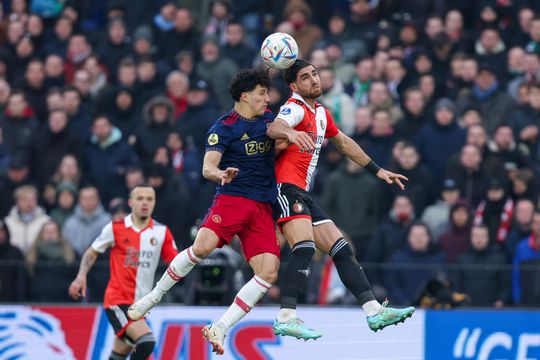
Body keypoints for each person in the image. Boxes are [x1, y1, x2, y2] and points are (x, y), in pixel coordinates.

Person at [127, 69, 280, 356]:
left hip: (262, 206)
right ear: (245, 96)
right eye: (262, 93)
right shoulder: (224, 127)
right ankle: (154, 296)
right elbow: (207, 167)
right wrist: (222, 173)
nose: (267, 99)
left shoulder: (270, 120)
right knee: (201, 248)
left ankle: (220, 327)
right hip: (233, 198)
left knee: (268, 272)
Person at [266, 59, 415, 339]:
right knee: (305, 247)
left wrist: (378, 169)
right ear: (294, 86)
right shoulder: (295, 108)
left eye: (315, 74)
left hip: (302, 192)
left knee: (341, 248)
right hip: (284, 188)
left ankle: (373, 311)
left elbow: (344, 143)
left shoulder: (321, 112)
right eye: (306, 77)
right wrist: (290, 132)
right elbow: (274, 127)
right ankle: (286, 316)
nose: (314, 80)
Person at [68, 184, 178, 360]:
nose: (145, 203)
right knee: (146, 341)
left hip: (142, 305)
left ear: (154, 203)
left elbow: (174, 263)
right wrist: (80, 277)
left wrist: (192, 257)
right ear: (131, 202)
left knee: (120, 353)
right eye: (140, 198)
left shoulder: (161, 232)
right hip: (118, 301)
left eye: (149, 199)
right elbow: (92, 252)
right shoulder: (116, 228)